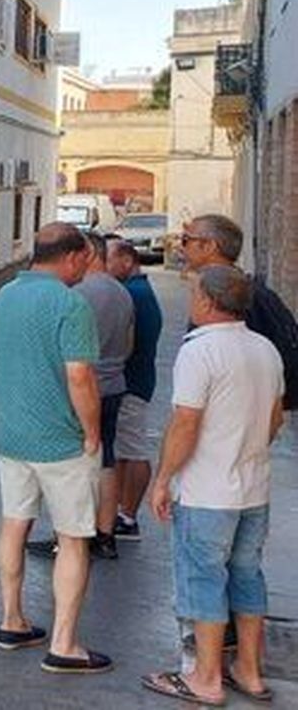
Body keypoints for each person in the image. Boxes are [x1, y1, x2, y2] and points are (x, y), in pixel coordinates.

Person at [141, 265, 284, 706]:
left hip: (206, 490)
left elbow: (186, 422)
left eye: (194, 292)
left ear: (207, 301)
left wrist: (163, 479)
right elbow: (276, 418)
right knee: (246, 577)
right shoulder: (265, 349)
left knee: (202, 579)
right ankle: (250, 671)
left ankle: (206, 677)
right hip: (253, 487)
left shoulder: (199, 351)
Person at [0, 223, 111, 675]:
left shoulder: (3, 297)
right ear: (74, 256)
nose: (88, 266)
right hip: (61, 442)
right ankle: (64, 644)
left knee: (14, 525)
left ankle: (11, 619)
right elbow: (80, 376)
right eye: (86, 259)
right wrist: (92, 431)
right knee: (74, 538)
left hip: (13, 436)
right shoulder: (69, 303)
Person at [27, 232, 133, 562]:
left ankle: (69, 536)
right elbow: (130, 344)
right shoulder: (121, 292)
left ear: (85, 254)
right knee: (107, 460)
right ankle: (105, 534)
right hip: (115, 383)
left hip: (83, 389)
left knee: (73, 465)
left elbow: (66, 355)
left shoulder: (77, 295)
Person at [181, 213, 298, 410]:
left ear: (209, 246)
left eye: (186, 240)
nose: (180, 247)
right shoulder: (253, 292)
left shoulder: (232, 296)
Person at [106, 239, 162, 542]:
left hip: (131, 383)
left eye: (109, 259)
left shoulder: (131, 294)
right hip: (136, 380)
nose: (104, 265)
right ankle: (121, 512)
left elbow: (125, 343)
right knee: (125, 451)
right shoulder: (139, 291)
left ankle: (127, 516)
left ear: (127, 261)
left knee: (132, 449)